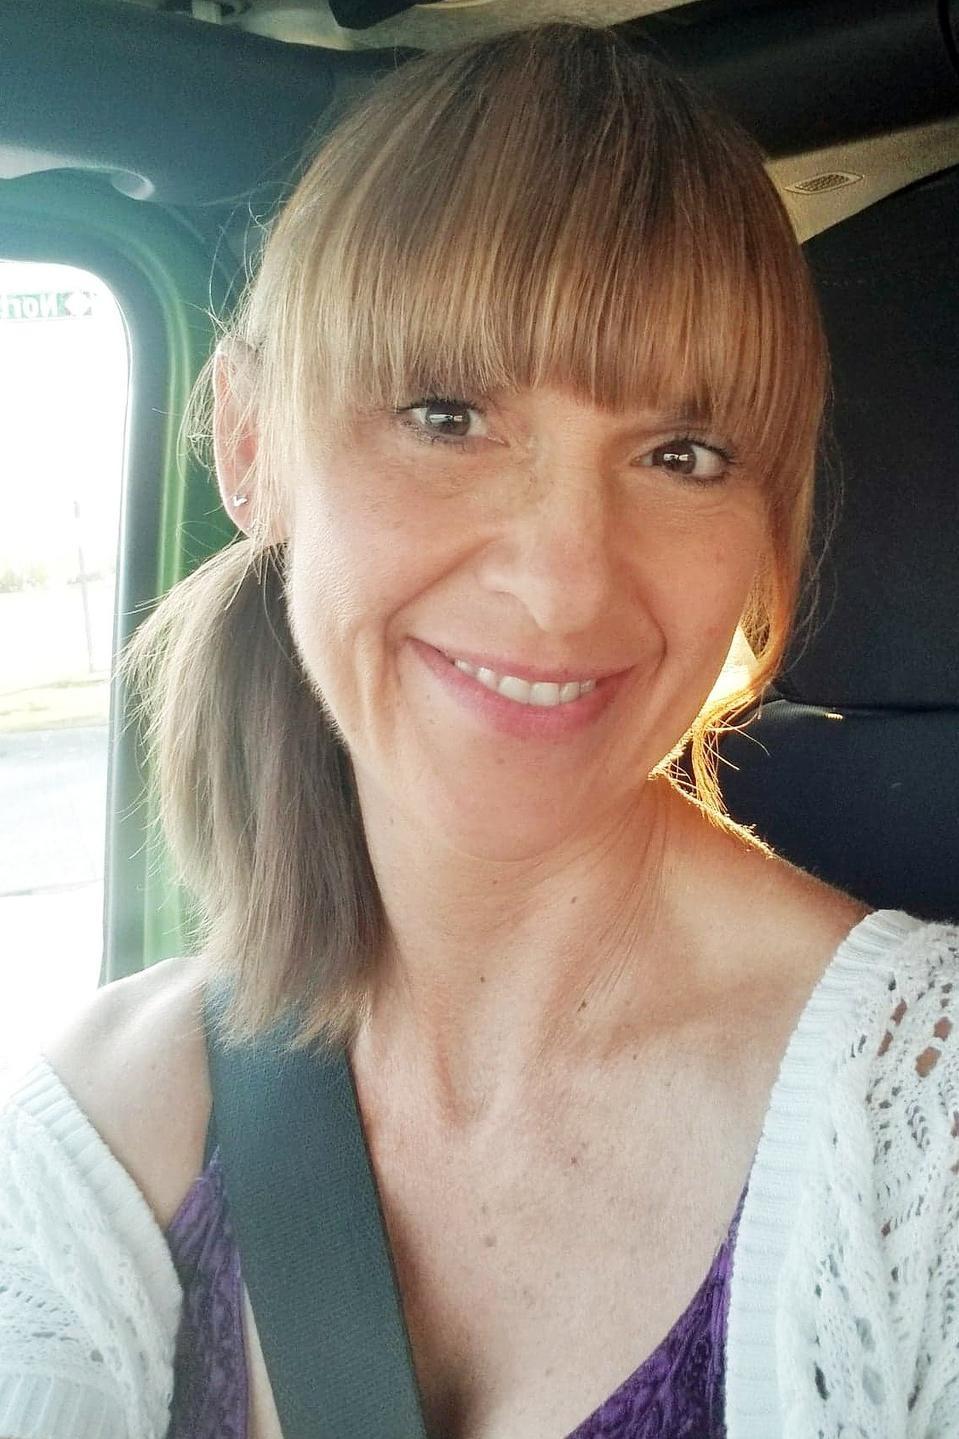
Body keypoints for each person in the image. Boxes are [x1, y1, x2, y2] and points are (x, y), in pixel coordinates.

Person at [1, 20, 957, 1439]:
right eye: (446, 416)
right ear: (250, 445)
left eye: (683, 453)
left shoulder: (921, 1135)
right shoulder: (97, 1140)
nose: (564, 586)